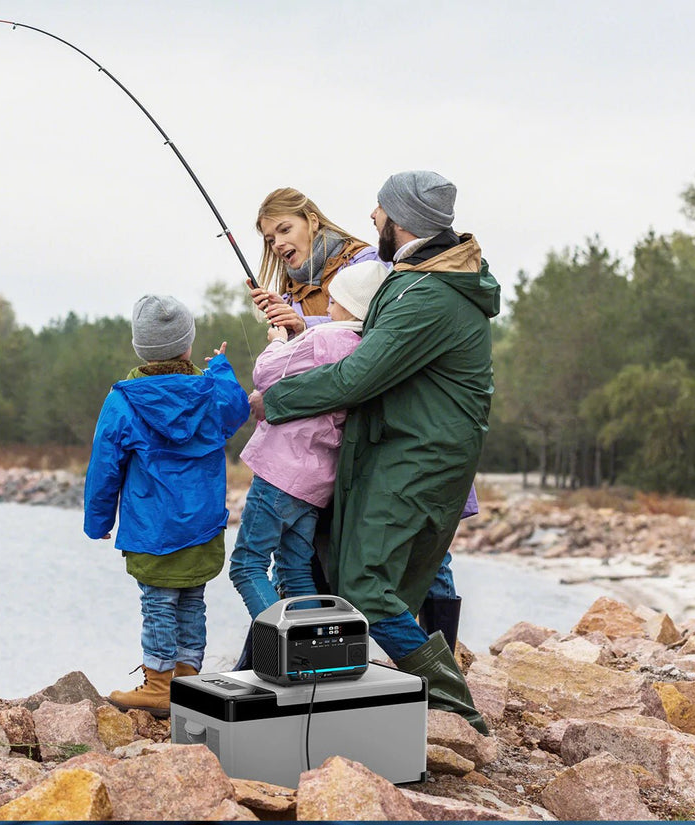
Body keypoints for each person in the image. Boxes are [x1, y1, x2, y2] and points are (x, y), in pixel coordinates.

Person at [252, 171, 499, 734]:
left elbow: (357, 374)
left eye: (380, 209)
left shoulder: (428, 294)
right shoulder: (419, 280)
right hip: (409, 450)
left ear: (402, 218)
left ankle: (456, 709)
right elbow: (363, 340)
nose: (370, 217)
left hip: (419, 456)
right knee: (363, 575)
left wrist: (275, 400)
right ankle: (363, 696)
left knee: (366, 585)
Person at [83, 294, 250, 716]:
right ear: (188, 345)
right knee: (192, 599)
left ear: (140, 349)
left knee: (157, 602)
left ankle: (158, 684)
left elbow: (105, 465)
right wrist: (222, 369)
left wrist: (98, 520)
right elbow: (237, 408)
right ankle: (188, 679)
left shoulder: (124, 400)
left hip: (151, 527)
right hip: (202, 523)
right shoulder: (211, 391)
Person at [230, 261, 390, 621]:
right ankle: (317, 658)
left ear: (350, 304)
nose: (328, 308)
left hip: (279, 475)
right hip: (317, 483)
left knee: (246, 565)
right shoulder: (365, 350)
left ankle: (288, 648)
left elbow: (265, 373)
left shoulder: (324, 337)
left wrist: (279, 341)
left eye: (334, 301)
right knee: (295, 568)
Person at [249, 187, 382, 336]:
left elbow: (382, 326)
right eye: (271, 240)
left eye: (285, 230)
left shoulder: (367, 263)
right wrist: (287, 328)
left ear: (313, 221)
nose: (278, 244)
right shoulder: (289, 301)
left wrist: (305, 324)